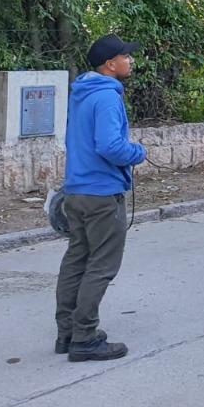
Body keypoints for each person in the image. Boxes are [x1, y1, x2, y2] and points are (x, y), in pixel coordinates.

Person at [54, 34, 147, 361]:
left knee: (77, 259)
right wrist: (138, 152)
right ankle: (85, 337)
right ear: (110, 64)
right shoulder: (107, 97)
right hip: (101, 195)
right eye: (126, 56)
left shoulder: (81, 93)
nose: (130, 60)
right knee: (102, 265)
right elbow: (110, 146)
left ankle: (66, 332)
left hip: (76, 191)